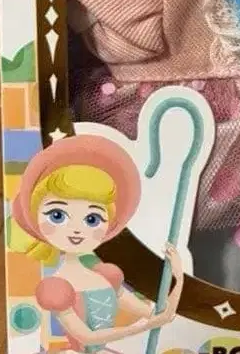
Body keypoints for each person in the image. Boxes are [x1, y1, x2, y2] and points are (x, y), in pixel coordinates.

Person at [11, 134, 184, 352]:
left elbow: (162, 315)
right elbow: (88, 337)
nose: (76, 229)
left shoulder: (104, 275)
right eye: (57, 215)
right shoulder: (57, 287)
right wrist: (141, 327)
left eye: (92, 219)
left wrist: (177, 275)